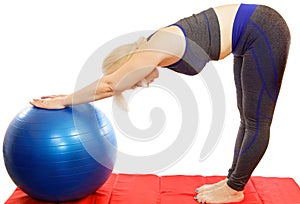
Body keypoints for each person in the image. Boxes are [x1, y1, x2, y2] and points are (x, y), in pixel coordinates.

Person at [30, 3, 290, 203]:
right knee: (247, 117)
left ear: (130, 65)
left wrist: (65, 99)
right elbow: (115, 81)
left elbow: (109, 84)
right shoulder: (152, 47)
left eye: (134, 81)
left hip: (264, 30)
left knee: (257, 121)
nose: (139, 85)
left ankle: (234, 189)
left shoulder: (150, 51)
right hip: (249, 37)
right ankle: (232, 182)